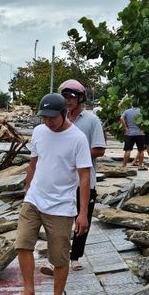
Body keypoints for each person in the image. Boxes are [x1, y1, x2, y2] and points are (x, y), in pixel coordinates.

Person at [5, 93, 92, 295]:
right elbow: (34, 163)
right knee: (23, 244)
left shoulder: (78, 138)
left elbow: (84, 177)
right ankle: (29, 293)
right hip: (34, 199)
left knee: (60, 257)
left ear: (64, 113)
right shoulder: (39, 132)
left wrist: (83, 213)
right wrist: (27, 188)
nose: (48, 122)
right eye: (44, 117)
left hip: (62, 206)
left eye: (52, 117)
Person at [41, 79, 106, 272]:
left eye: (72, 96)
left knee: (81, 219)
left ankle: (75, 256)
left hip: (83, 179)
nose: (68, 100)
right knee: (57, 221)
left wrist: (77, 153)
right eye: (65, 96)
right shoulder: (55, 119)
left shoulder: (92, 120)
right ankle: (55, 258)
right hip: (60, 180)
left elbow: (99, 149)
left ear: (80, 98)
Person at [120, 103, 146, 170]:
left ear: (131, 104)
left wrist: (125, 128)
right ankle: (140, 166)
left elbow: (121, 118)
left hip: (129, 133)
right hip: (140, 133)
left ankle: (124, 166)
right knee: (141, 150)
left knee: (127, 150)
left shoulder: (127, 111)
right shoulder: (141, 111)